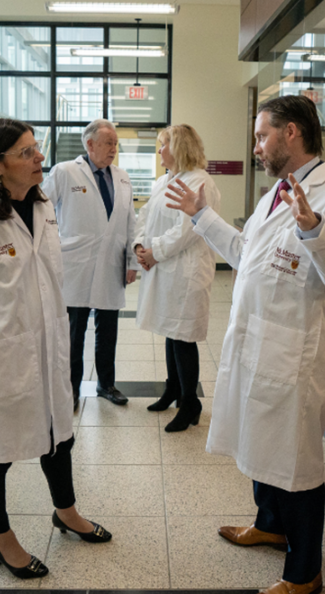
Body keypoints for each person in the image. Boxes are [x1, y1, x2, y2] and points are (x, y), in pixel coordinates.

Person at [165, 96, 325, 594]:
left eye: (262, 136)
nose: (256, 147)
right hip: (256, 344)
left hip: (294, 355)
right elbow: (244, 254)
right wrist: (202, 216)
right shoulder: (275, 194)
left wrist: (315, 231)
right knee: (260, 441)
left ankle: (305, 572)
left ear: (292, 134)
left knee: (295, 459)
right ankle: (271, 524)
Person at [0, 118, 112, 580]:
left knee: (59, 434)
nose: (39, 159)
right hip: (1, 352)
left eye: (37, 149)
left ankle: (65, 512)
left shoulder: (43, 204)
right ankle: (1, 539)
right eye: (26, 152)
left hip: (49, 344)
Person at [41, 119, 137, 407]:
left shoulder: (121, 176)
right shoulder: (65, 172)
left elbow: (131, 220)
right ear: (90, 144)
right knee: (74, 332)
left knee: (108, 330)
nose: (113, 149)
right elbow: (42, 208)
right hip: (74, 265)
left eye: (116, 144)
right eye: (109, 143)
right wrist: (51, 248)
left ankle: (106, 384)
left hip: (111, 263)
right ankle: (70, 389)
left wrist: (132, 261)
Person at [133, 124, 221, 432]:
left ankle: (190, 402)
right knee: (170, 330)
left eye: (163, 145)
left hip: (186, 271)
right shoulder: (164, 181)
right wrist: (140, 246)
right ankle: (172, 390)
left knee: (183, 336)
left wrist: (154, 251)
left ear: (179, 147)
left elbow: (187, 230)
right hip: (164, 266)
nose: (159, 151)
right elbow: (144, 216)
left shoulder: (200, 183)